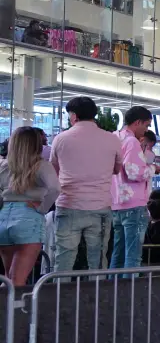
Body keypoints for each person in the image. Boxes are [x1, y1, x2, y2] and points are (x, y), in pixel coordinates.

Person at [51, 96, 123, 271]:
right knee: (97, 260)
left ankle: (61, 295)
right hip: (100, 206)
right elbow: (117, 169)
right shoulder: (113, 139)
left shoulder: (61, 139)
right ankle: (99, 296)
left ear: (74, 116)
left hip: (68, 205)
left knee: (64, 259)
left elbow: (54, 170)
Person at [0, 127, 60, 285]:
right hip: (28, 218)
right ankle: (15, 310)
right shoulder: (42, 166)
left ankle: (6, 308)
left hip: (3, 216)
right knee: (18, 280)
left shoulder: (4, 166)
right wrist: (42, 208)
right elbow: (55, 188)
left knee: (8, 278)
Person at [110, 106, 155, 271]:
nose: (146, 129)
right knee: (133, 257)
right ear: (137, 122)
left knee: (118, 253)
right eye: (146, 125)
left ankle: (112, 290)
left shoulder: (115, 137)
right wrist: (152, 169)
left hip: (116, 202)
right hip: (134, 203)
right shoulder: (131, 141)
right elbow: (133, 172)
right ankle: (129, 294)